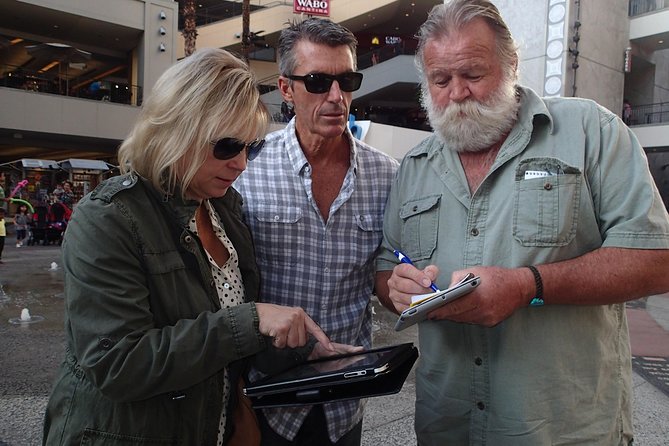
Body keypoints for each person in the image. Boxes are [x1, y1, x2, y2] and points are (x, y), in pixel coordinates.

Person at [374, 1, 669, 445]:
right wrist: (397, 289)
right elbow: (386, 269)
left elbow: (656, 260)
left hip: (562, 428)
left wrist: (528, 286)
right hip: (447, 425)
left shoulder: (590, 131)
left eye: (473, 74)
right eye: (440, 80)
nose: (457, 93)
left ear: (511, 64)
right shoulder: (413, 168)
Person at [42, 47, 337, 446]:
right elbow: (116, 363)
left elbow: (226, 347)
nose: (241, 164)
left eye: (250, 147)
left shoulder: (224, 209)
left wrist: (301, 350)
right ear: (177, 131)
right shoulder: (109, 217)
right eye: (226, 146)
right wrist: (252, 320)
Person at [235, 17, 399, 446]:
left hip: (344, 403)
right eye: (317, 81)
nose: (336, 96)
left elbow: (390, 271)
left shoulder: (387, 176)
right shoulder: (247, 169)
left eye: (347, 81)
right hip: (267, 397)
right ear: (286, 89)